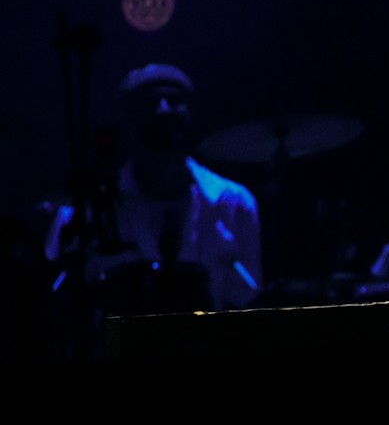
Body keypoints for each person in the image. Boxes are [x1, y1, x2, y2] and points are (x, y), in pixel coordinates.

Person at [44, 62, 262, 313]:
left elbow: (246, 302)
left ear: (192, 114)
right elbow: (55, 308)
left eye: (174, 100)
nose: (164, 110)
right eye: (150, 102)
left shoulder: (234, 203)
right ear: (128, 120)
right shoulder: (85, 210)